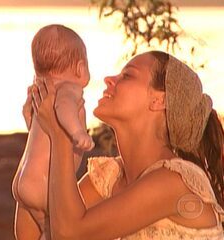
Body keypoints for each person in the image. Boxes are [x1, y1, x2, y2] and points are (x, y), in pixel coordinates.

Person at [32, 51, 224, 239]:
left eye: (127, 75)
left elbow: (69, 233)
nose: (109, 79)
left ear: (159, 100)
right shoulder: (109, 178)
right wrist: (39, 133)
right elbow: (34, 233)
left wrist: (60, 135)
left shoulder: (175, 180)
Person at [12, 24, 94, 240]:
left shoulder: (43, 90)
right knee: (52, 230)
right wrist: (78, 132)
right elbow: (64, 108)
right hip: (44, 185)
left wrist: (30, 122)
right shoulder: (68, 89)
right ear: (80, 68)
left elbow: (34, 121)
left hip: (23, 179)